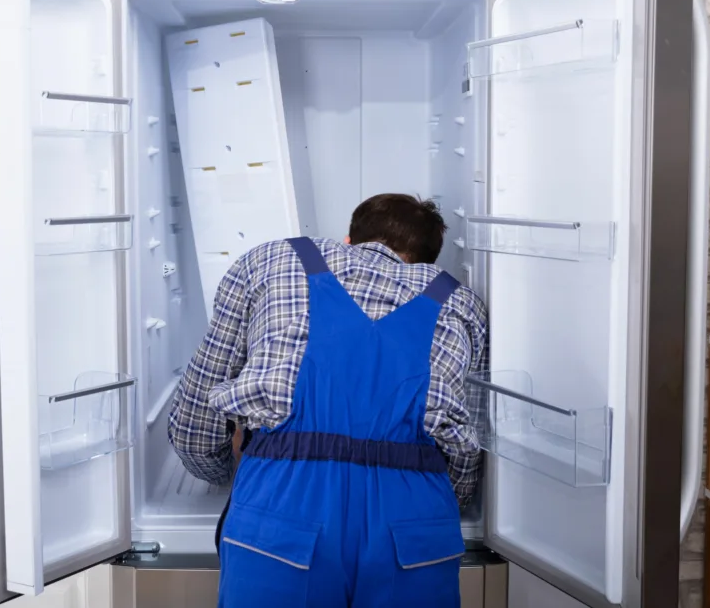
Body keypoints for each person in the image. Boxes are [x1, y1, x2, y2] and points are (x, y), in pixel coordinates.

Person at [168, 193, 488, 608]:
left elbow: (198, 413)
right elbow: (466, 449)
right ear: (427, 263)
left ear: (348, 239)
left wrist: (219, 473)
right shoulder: (463, 303)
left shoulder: (270, 260)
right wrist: (451, 501)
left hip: (285, 505)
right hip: (414, 518)